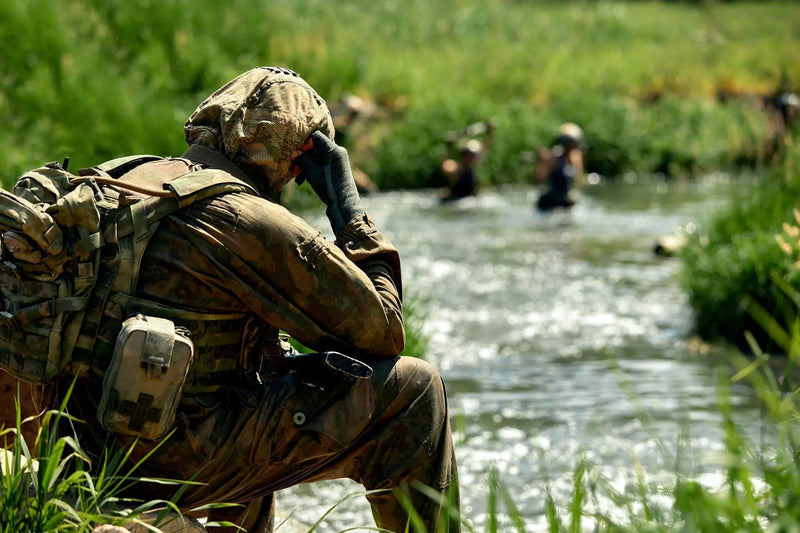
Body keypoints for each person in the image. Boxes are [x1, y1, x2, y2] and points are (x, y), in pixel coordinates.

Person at [55, 67, 459, 533]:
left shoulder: (123, 176)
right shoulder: (248, 220)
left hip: (76, 442)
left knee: (255, 378)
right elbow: (384, 330)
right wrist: (348, 210)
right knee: (415, 389)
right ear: (300, 157)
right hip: (165, 460)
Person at [534, 122, 586, 212]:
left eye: (571, 142)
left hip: (566, 199)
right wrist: (543, 163)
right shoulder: (554, 156)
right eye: (567, 142)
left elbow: (579, 181)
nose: (569, 145)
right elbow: (539, 178)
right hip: (552, 199)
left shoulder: (576, 157)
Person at [438, 121, 494, 203]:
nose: (472, 158)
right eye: (469, 155)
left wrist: (489, 133)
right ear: (463, 156)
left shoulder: (472, 164)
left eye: (472, 155)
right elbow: (444, 165)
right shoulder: (456, 168)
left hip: (469, 201)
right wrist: (448, 148)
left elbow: (485, 149)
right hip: (456, 201)